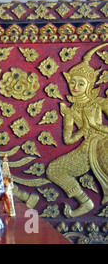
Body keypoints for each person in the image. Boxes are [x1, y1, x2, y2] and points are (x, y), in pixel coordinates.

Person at [46, 43, 108, 218]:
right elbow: (68, 140)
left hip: (103, 143)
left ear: (89, 85)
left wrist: (97, 127)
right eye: (72, 82)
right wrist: (83, 130)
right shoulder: (70, 111)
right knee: (54, 169)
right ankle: (85, 201)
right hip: (86, 148)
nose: (75, 86)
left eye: (81, 83)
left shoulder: (100, 103)